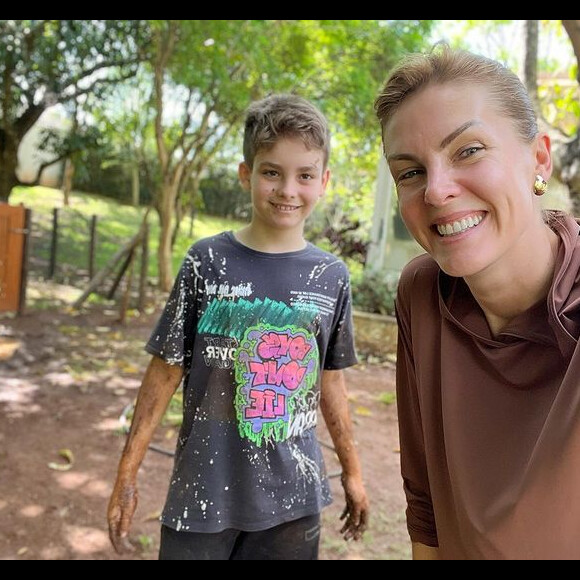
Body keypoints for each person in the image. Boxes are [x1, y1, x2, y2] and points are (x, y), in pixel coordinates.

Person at [107, 93, 369, 560]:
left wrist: (352, 471)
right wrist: (128, 473)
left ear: (324, 181)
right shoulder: (206, 261)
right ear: (246, 174)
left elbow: (330, 380)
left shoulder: (331, 277)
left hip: (293, 501)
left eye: (304, 175)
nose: (288, 189)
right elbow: (165, 371)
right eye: (272, 172)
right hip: (203, 496)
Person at [374, 43, 580, 560]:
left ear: (538, 159)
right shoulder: (422, 293)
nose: (437, 191)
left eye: (468, 150)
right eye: (411, 172)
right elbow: (425, 504)